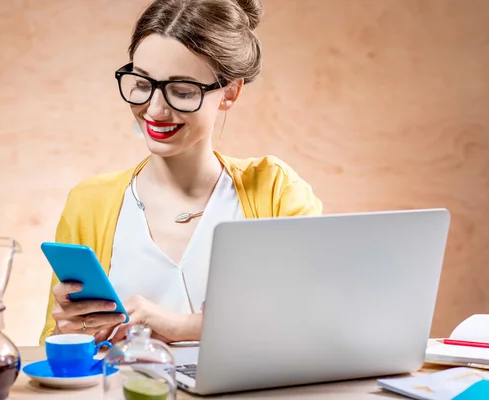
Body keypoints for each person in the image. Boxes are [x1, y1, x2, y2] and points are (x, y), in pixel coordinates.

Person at [39, 0, 322, 345]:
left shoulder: (275, 190)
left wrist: (180, 326)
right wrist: (73, 332)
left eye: (183, 91)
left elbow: (313, 321)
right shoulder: (89, 202)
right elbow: (53, 350)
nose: (155, 110)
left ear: (230, 93)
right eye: (142, 84)